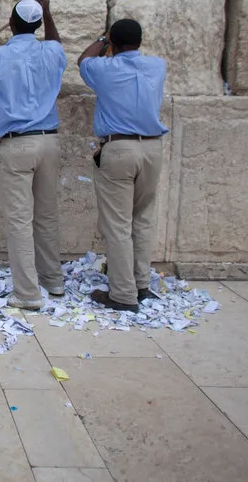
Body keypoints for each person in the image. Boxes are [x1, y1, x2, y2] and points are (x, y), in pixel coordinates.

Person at [0, 0, 67, 310]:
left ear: (10, 24)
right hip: (48, 141)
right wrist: (48, 13)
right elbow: (56, 43)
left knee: (19, 219)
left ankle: (27, 293)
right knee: (47, 215)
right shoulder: (51, 51)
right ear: (39, 24)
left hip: (17, 143)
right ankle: (53, 282)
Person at [77, 18, 169, 313]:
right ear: (140, 42)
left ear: (113, 45)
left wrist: (102, 40)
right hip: (152, 148)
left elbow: (83, 60)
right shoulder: (157, 66)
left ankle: (122, 294)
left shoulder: (105, 69)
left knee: (117, 226)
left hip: (119, 148)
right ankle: (141, 285)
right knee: (141, 220)